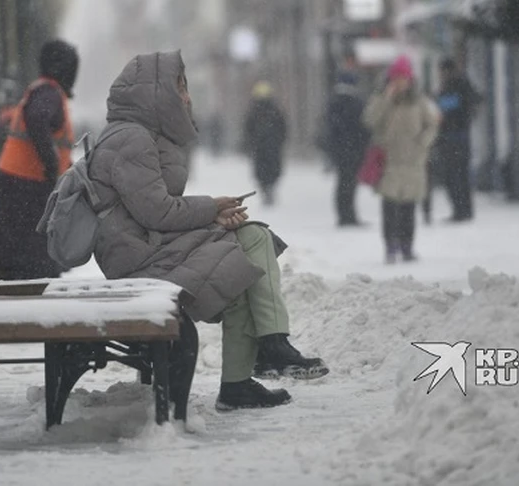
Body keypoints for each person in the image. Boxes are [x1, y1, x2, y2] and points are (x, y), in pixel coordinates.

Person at [89, 51, 327, 411]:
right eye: (180, 88)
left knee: (252, 238)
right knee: (242, 261)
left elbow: (154, 211)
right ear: (156, 92)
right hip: (138, 258)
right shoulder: (131, 139)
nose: (186, 97)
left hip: (152, 244)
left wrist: (213, 218)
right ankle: (257, 362)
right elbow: (157, 211)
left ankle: (264, 353)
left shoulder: (146, 134)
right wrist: (211, 209)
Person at [0, 40, 78, 280]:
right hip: (26, 189)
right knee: (33, 264)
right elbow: (38, 120)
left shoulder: (42, 91)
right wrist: (51, 165)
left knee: (22, 260)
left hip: (17, 186)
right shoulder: (49, 94)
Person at [362, 56, 439, 264]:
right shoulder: (381, 99)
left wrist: (423, 142)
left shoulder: (420, 101)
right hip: (389, 161)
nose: (399, 83)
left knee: (408, 207)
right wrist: (385, 100)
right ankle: (390, 246)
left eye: (403, 78)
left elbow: (432, 124)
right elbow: (370, 120)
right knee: (390, 206)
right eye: (396, 79)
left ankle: (407, 246)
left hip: (413, 161)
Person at [322, 71, 370, 226]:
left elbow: (330, 128)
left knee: (343, 182)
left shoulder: (334, 102)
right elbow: (363, 127)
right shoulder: (356, 102)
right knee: (349, 183)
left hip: (340, 150)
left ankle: (344, 214)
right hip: (353, 149)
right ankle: (348, 215)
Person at [435, 57, 481, 222]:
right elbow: (474, 102)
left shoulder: (453, 86)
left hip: (451, 138)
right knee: (461, 176)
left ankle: (460, 210)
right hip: (462, 137)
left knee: (453, 177)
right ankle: (465, 210)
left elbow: (444, 111)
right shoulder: (464, 84)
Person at [242, 81, 287, 206]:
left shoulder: (254, 112)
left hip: (261, 147)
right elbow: (283, 128)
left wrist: (250, 144)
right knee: (272, 170)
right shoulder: (275, 111)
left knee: (263, 171)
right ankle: (269, 189)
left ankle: (266, 189)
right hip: (270, 146)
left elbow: (248, 130)